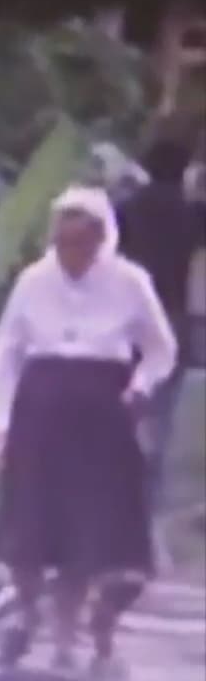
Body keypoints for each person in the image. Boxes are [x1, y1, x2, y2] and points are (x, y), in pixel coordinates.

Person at [0, 186, 177, 678]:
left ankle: (69, 639)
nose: (71, 254)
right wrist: (1, 423)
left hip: (100, 415)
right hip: (39, 412)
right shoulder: (33, 281)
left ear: (99, 239)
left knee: (84, 533)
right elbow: (5, 355)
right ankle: (27, 612)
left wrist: (139, 388)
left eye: (80, 244)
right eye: (63, 242)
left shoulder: (129, 282)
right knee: (28, 530)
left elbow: (161, 349)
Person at [114, 135, 206, 512]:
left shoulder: (126, 209)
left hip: (130, 319)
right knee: (162, 411)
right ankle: (148, 494)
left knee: (128, 402)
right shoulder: (192, 213)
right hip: (173, 316)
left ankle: (122, 485)